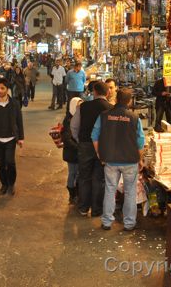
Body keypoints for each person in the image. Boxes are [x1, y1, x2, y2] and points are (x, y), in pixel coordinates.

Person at [92, 89, 145, 231]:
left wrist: (99, 153)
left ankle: (107, 222)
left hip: (110, 160)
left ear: (115, 99)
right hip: (130, 161)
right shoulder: (134, 118)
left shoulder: (104, 116)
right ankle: (129, 223)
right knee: (130, 192)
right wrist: (140, 159)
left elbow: (94, 136)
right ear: (129, 101)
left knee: (110, 190)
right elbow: (140, 142)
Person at [71, 81, 112, 217]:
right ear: (107, 93)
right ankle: (96, 210)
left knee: (84, 177)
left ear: (94, 91)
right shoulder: (111, 109)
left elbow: (74, 127)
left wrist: (80, 140)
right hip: (104, 147)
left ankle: (83, 208)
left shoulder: (83, 106)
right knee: (99, 178)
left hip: (85, 145)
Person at [0, 79, 24, 196]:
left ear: (7, 89)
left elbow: (19, 121)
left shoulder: (15, 103)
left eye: (2, 88)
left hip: (11, 138)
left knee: (10, 162)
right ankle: (4, 184)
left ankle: (11, 184)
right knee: (0, 164)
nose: (0, 91)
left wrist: (21, 137)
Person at [62, 97, 82, 204]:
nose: (80, 108)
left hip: (78, 152)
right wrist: (79, 147)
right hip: (72, 152)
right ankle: (72, 194)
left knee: (78, 173)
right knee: (73, 173)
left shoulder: (80, 118)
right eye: (78, 106)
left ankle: (77, 194)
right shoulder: (68, 120)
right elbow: (67, 139)